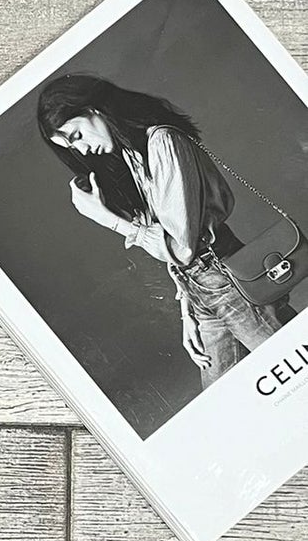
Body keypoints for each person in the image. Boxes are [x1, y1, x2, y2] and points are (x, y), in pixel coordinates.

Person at [36, 73, 286, 390]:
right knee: (225, 397)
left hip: (227, 279)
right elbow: (177, 247)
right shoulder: (134, 154)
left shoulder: (163, 141)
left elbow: (183, 247)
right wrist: (189, 310)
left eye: (76, 135)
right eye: (72, 146)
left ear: (93, 109)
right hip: (203, 291)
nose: (82, 150)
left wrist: (107, 218)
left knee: (289, 370)